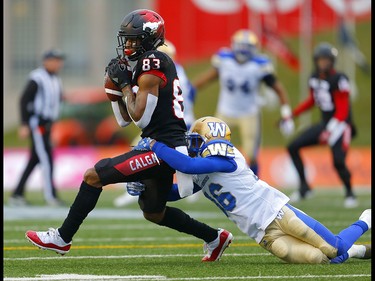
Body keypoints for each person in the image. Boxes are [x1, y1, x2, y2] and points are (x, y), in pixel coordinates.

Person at [25, 9, 232, 262]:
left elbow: (141, 118)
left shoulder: (153, 60)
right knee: (153, 212)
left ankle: (62, 238)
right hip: (158, 144)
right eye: (127, 39)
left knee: (93, 175)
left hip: (163, 147)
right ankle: (215, 237)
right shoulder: (145, 64)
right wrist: (113, 90)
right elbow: (125, 120)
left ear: (149, 38)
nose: (129, 44)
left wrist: (124, 85)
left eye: (134, 39)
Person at [131, 116, 371, 264]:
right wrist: (145, 186)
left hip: (278, 212)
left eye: (196, 139)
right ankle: (359, 251)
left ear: (210, 139)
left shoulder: (226, 156)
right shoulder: (201, 170)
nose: (191, 144)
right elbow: (176, 193)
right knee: (323, 259)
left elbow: (186, 164)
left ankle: (365, 220)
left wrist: (155, 145)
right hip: (262, 234)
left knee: (335, 249)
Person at [193, 29, 294, 176]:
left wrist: (286, 114)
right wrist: (190, 89)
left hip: (248, 114)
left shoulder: (259, 65)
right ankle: (207, 180)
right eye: (241, 46)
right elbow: (208, 78)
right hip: (225, 112)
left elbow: (279, 89)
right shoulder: (225, 60)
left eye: (247, 47)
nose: (243, 50)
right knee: (210, 147)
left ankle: (254, 183)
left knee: (251, 154)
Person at [113, 39, 197, 207]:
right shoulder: (177, 70)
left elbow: (139, 110)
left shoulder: (157, 71)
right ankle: (143, 186)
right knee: (180, 171)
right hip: (181, 121)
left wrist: (125, 86)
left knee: (141, 151)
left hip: (170, 126)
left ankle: (137, 186)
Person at [283, 42, 358, 208]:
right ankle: (304, 187)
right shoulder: (314, 78)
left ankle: (350, 193)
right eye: (320, 60)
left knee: (338, 161)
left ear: (332, 61)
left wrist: (330, 130)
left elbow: (343, 109)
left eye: (326, 60)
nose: (323, 63)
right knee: (293, 146)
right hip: (326, 123)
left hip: (342, 125)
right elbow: (312, 101)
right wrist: (291, 116)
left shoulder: (339, 78)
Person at [8, 49, 66, 207]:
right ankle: (51, 196)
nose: (58, 63)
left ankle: (17, 194)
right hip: (37, 123)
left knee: (34, 160)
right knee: (47, 159)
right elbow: (24, 100)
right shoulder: (37, 77)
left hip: (47, 125)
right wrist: (24, 124)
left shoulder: (56, 79)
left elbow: (56, 103)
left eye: (59, 60)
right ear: (46, 61)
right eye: (55, 60)